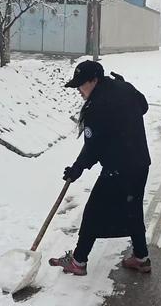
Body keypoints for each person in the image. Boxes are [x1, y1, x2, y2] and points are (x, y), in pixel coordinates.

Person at [49, 60, 151, 276]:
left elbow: (94, 148)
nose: (78, 89)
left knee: (93, 213)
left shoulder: (97, 106)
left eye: (81, 84)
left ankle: (78, 262)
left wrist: (77, 168)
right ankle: (141, 258)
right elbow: (143, 106)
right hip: (140, 163)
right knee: (132, 211)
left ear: (94, 80)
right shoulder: (121, 87)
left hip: (118, 168)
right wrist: (128, 88)